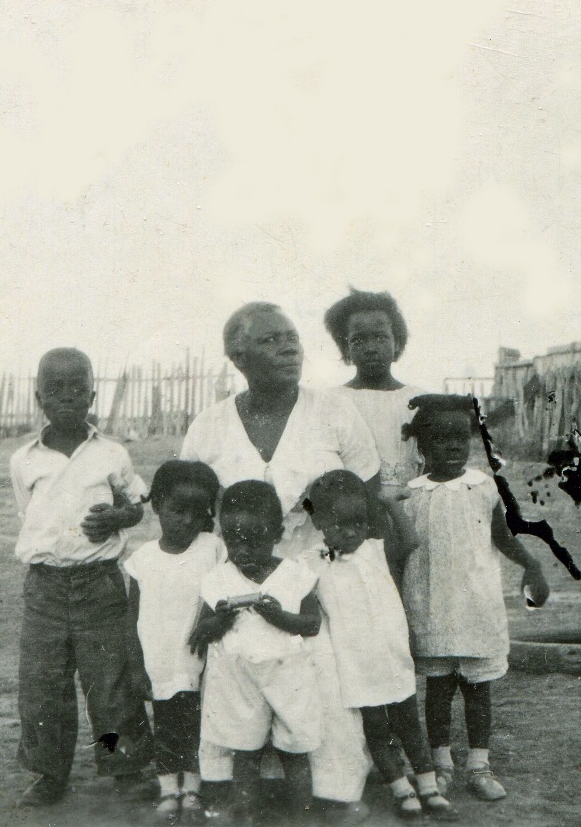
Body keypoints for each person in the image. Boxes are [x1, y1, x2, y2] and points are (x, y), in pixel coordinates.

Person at [179, 302, 381, 819]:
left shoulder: (333, 412)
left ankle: (331, 789)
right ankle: (237, 789)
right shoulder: (210, 425)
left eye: (292, 337)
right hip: (240, 571)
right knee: (235, 679)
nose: (289, 348)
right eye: (270, 340)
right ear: (237, 355)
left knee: (323, 678)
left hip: (317, 571)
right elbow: (195, 510)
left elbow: (367, 494)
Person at [9, 348, 152, 807]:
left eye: (77, 387)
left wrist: (117, 517)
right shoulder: (24, 460)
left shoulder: (112, 453)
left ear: (93, 394)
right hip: (45, 588)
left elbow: (137, 504)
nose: (67, 396)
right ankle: (49, 773)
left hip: (99, 585)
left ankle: (123, 766)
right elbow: (28, 517)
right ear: (38, 398)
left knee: (109, 681)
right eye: (55, 389)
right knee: (43, 685)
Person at [399, 394, 552, 802]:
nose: (451, 446)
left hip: (476, 606)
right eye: (439, 439)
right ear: (421, 446)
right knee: (437, 690)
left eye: (460, 439)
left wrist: (531, 565)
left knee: (478, 689)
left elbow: (501, 537)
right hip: (429, 607)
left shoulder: (483, 487)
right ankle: (441, 764)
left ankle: (479, 765)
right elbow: (398, 554)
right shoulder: (409, 495)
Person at [303, 470, 455, 820]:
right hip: (356, 664)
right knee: (377, 728)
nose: (350, 532)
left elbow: (412, 540)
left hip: (392, 656)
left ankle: (429, 786)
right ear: (321, 522)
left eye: (358, 523)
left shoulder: (374, 549)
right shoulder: (318, 561)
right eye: (338, 525)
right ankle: (400, 788)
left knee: (408, 723)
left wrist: (388, 504)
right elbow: (297, 584)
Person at [188, 481, 323, 824]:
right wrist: (219, 620)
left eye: (254, 540)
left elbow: (311, 624)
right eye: (234, 540)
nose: (243, 550)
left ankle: (302, 813)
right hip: (237, 679)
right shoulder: (219, 579)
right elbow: (202, 633)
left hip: (288, 675)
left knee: (294, 749)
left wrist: (280, 617)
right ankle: (244, 813)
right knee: (244, 750)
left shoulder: (295, 575)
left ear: (277, 534)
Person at [124, 460, 226, 823]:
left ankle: (194, 788)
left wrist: (214, 618)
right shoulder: (142, 560)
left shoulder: (212, 547)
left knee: (199, 725)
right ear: (157, 505)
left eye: (198, 513)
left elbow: (224, 593)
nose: (187, 521)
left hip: (201, 658)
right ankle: (169, 788)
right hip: (161, 660)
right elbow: (132, 618)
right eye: (178, 510)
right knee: (166, 724)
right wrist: (136, 666)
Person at [324, 289, 427, 497]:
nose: (370, 348)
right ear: (346, 348)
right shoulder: (333, 401)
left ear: (397, 342)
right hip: (355, 510)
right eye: (358, 340)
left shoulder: (417, 400)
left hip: (410, 506)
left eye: (380, 337)